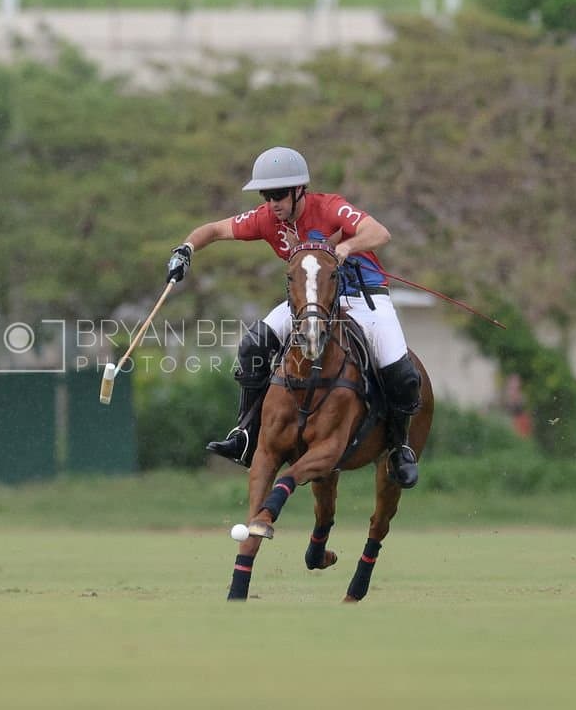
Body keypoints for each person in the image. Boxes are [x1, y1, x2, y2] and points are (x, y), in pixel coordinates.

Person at [165, 146, 423, 488]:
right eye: (266, 195)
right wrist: (185, 250)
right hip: (309, 303)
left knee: (402, 374)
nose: (272, 203)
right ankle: (245, 434)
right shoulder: (266, 219)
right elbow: (214, 230)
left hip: (364, 297)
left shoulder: (329, 207)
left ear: (299, 190)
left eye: (279, 194)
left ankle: (399, 447)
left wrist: (345, 247)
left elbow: (380, 233)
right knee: (253, 345)